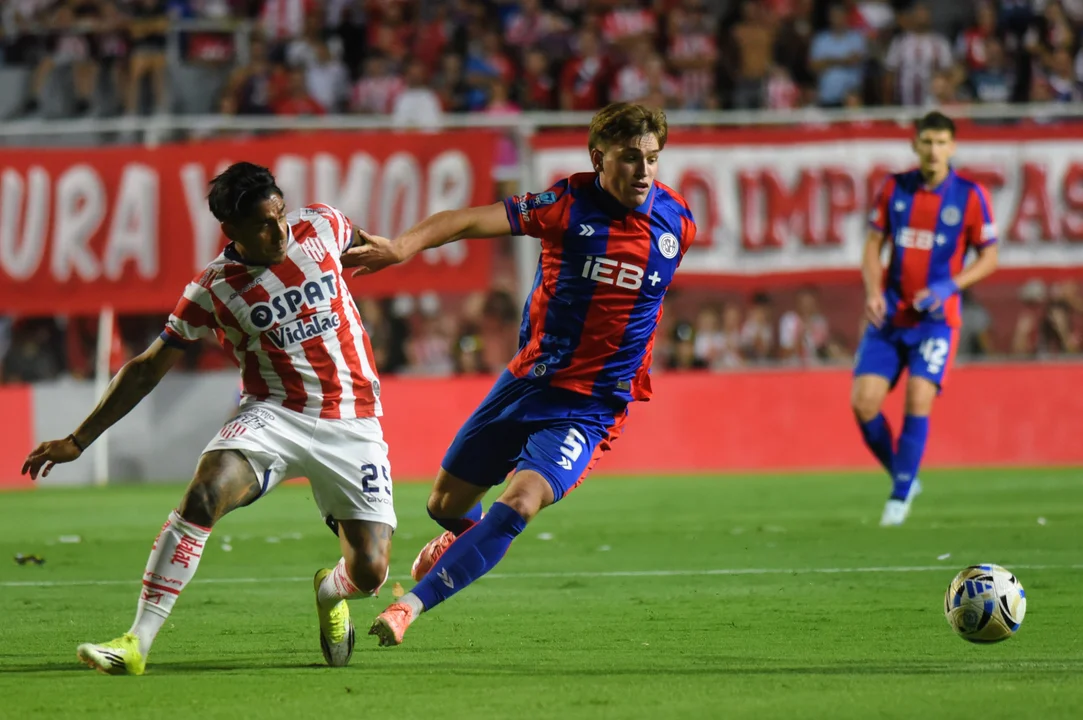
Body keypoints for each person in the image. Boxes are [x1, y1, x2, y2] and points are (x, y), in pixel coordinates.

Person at [343, 102, 697, 646]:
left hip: (592, 406)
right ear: (599, 158)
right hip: (529, 383)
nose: (644, 171)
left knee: (521, 501)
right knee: (444, 506)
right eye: (630, 157)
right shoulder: (565, 205)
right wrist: (401, 247)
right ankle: (462, 539)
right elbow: (467, 219)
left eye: (652, 158)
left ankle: (408, 607)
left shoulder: (677, 221)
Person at [21, 163, 395, 674]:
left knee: (370, 572)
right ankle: (135, 643)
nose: (279, 232)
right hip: (273, 415)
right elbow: (147, 367)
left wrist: (396, 249)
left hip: (353, 422)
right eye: (263, 225)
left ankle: (330, 593)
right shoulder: (212, 290)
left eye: (281, 215)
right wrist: (78, 439)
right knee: (204, 493)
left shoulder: (323, 224)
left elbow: (367, 244)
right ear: (231, 229)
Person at [852, 111, 998, 526]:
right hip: (890, 316)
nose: (934, 150)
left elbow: (989, 257)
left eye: (941, 142)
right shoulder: (894, 188)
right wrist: (873, 290)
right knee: (863, 404)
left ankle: (898, 499)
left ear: (953, 147)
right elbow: (872, 245)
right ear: (914, 144)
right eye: (927, 142)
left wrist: (950, 286)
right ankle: (904, 474)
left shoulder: (970, 196)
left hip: (936, 321)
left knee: (919, 396)